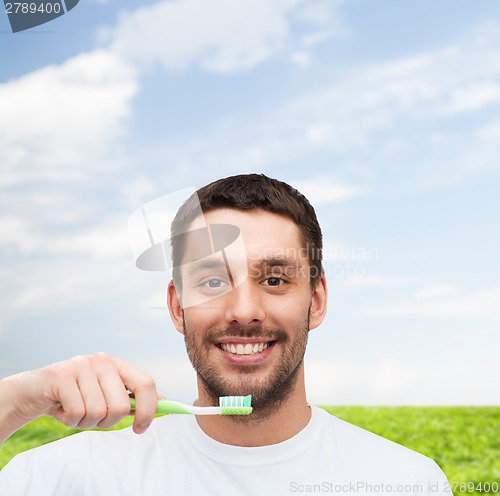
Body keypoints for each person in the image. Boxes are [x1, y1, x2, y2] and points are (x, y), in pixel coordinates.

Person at [0, 174, 451, 495]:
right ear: (177, 307)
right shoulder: (73, 475)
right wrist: (17, 400)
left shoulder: (407, 481)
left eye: (274, 279)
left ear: (316, 301)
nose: (244, 311)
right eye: (214, 282)